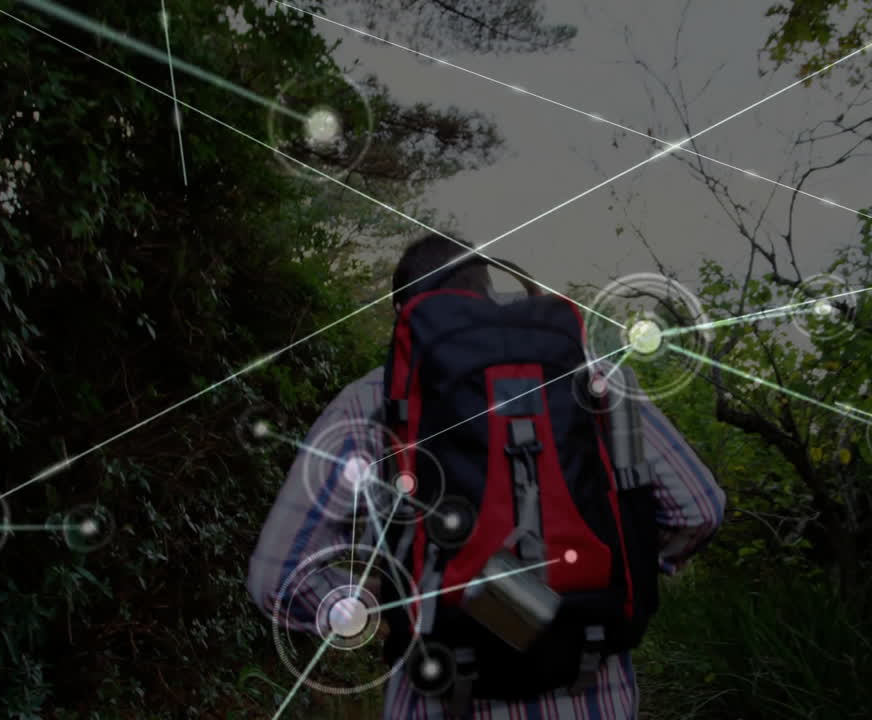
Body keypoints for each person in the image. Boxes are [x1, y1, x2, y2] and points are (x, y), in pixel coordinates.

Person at [248, 233, 725, 719]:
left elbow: (277, 576)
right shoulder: (602, 379)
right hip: (593, 688)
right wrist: (617, 564)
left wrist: (376, 609)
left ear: (404, 315)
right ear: (489, 292)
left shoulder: (374, 400)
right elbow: (700, 509)